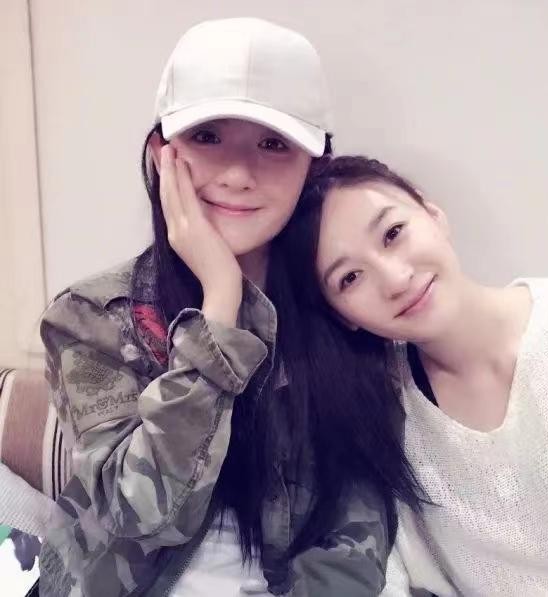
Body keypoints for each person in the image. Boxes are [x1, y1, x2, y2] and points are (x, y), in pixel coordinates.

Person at [39, 21, 423, 597]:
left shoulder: (345, 308)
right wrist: (220, 304)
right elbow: (141, 516)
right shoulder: (90, 316)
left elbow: (352, 534)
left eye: (273, 144)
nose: (239, 174)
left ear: (313, 166)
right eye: (208, 136)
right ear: (162, 156)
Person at [278, 155, 548, 596]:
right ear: (342, 316)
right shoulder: (376, 413)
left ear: (433, 214)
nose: (395, 279)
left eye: (393, 233)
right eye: (350, 278)